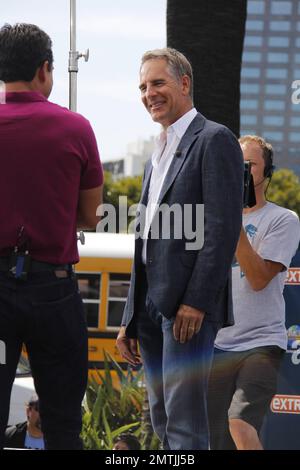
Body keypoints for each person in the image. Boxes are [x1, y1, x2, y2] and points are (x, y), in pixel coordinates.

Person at [116, 47, 244, 450]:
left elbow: (223, 227)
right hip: (151, 309)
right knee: (161, 419)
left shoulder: (215, 139)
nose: (148, 93)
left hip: (187, 309)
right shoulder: (156, 154)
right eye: (142, 86)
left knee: (185, 426)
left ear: (184, 83)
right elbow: (145, 238)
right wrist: (130, 316)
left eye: (157, 83)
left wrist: (197, 301)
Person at [0, 23, 103, 450]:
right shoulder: (75, 128)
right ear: (45, 69)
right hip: (53, 291)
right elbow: (90, 216)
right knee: (63, 422)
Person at [208, 135, 300, 450]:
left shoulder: (283, 219)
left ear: (267, 172)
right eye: (235, 164)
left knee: (240, 421)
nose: (240, 171)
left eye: (248, 165)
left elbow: (259, 278)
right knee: (214, 438)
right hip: (216, 344)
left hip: (261, 343)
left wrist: (232, 223)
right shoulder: (210, 219)